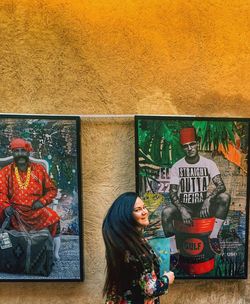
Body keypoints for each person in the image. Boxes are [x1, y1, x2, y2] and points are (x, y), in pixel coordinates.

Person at [161, 127, 231, 264]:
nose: (190, 148)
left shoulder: (208, 164)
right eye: (186, 146)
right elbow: (172, 192)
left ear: (197, 144)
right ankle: (174, 251)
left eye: (192, 144)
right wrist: (181, 209)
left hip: (202, 205)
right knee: (166, 212)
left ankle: (214, 236)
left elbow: (221, 186)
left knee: (225, 197)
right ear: (183, 148)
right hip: (185, 207)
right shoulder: (177, 166)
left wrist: (208, 200)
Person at [102, 192, 175, 304]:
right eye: (137, 210)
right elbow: (150, 289)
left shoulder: (120, 244)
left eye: (144, 207)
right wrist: (167, 279)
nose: (145, 212)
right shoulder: (136, 248)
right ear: (125, 216)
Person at [0, 138, 61, 260]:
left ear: (28, 152)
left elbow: (52, 190)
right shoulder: (5, 171)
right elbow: (1, 192)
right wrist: (6, 206)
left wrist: (42, 201)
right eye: (17, 151)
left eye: (23, 150)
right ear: (13, 153)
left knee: (54, 218)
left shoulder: (39, 169)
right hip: (14, 213)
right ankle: (6, 254)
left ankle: (54, 253)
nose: (20, 154)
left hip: (35, 211)